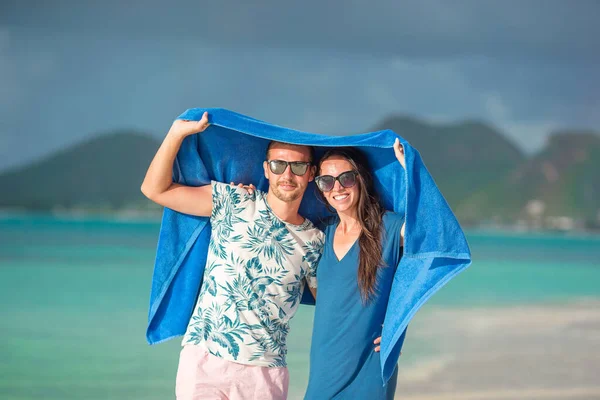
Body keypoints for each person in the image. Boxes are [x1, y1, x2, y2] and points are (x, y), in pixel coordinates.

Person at [141, 112, 325, 400]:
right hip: (205, 359)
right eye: (279, 165)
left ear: (312, 173)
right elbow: (155, 189)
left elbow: (332, 305)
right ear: (266, 169)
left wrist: (378, 330)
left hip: (265, 373)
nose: (287, 175)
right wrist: (176, 133)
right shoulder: (234, 201)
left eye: (299, 166)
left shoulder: (315, 240)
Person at [303, 141, 406, 399]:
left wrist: (409, 169)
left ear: (362, 179)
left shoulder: (390, 228)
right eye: (327, 181)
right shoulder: (320, 233)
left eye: (346, 178)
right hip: (324, 366)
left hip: (369, 365)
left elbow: (433, 233)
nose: (337, 187)